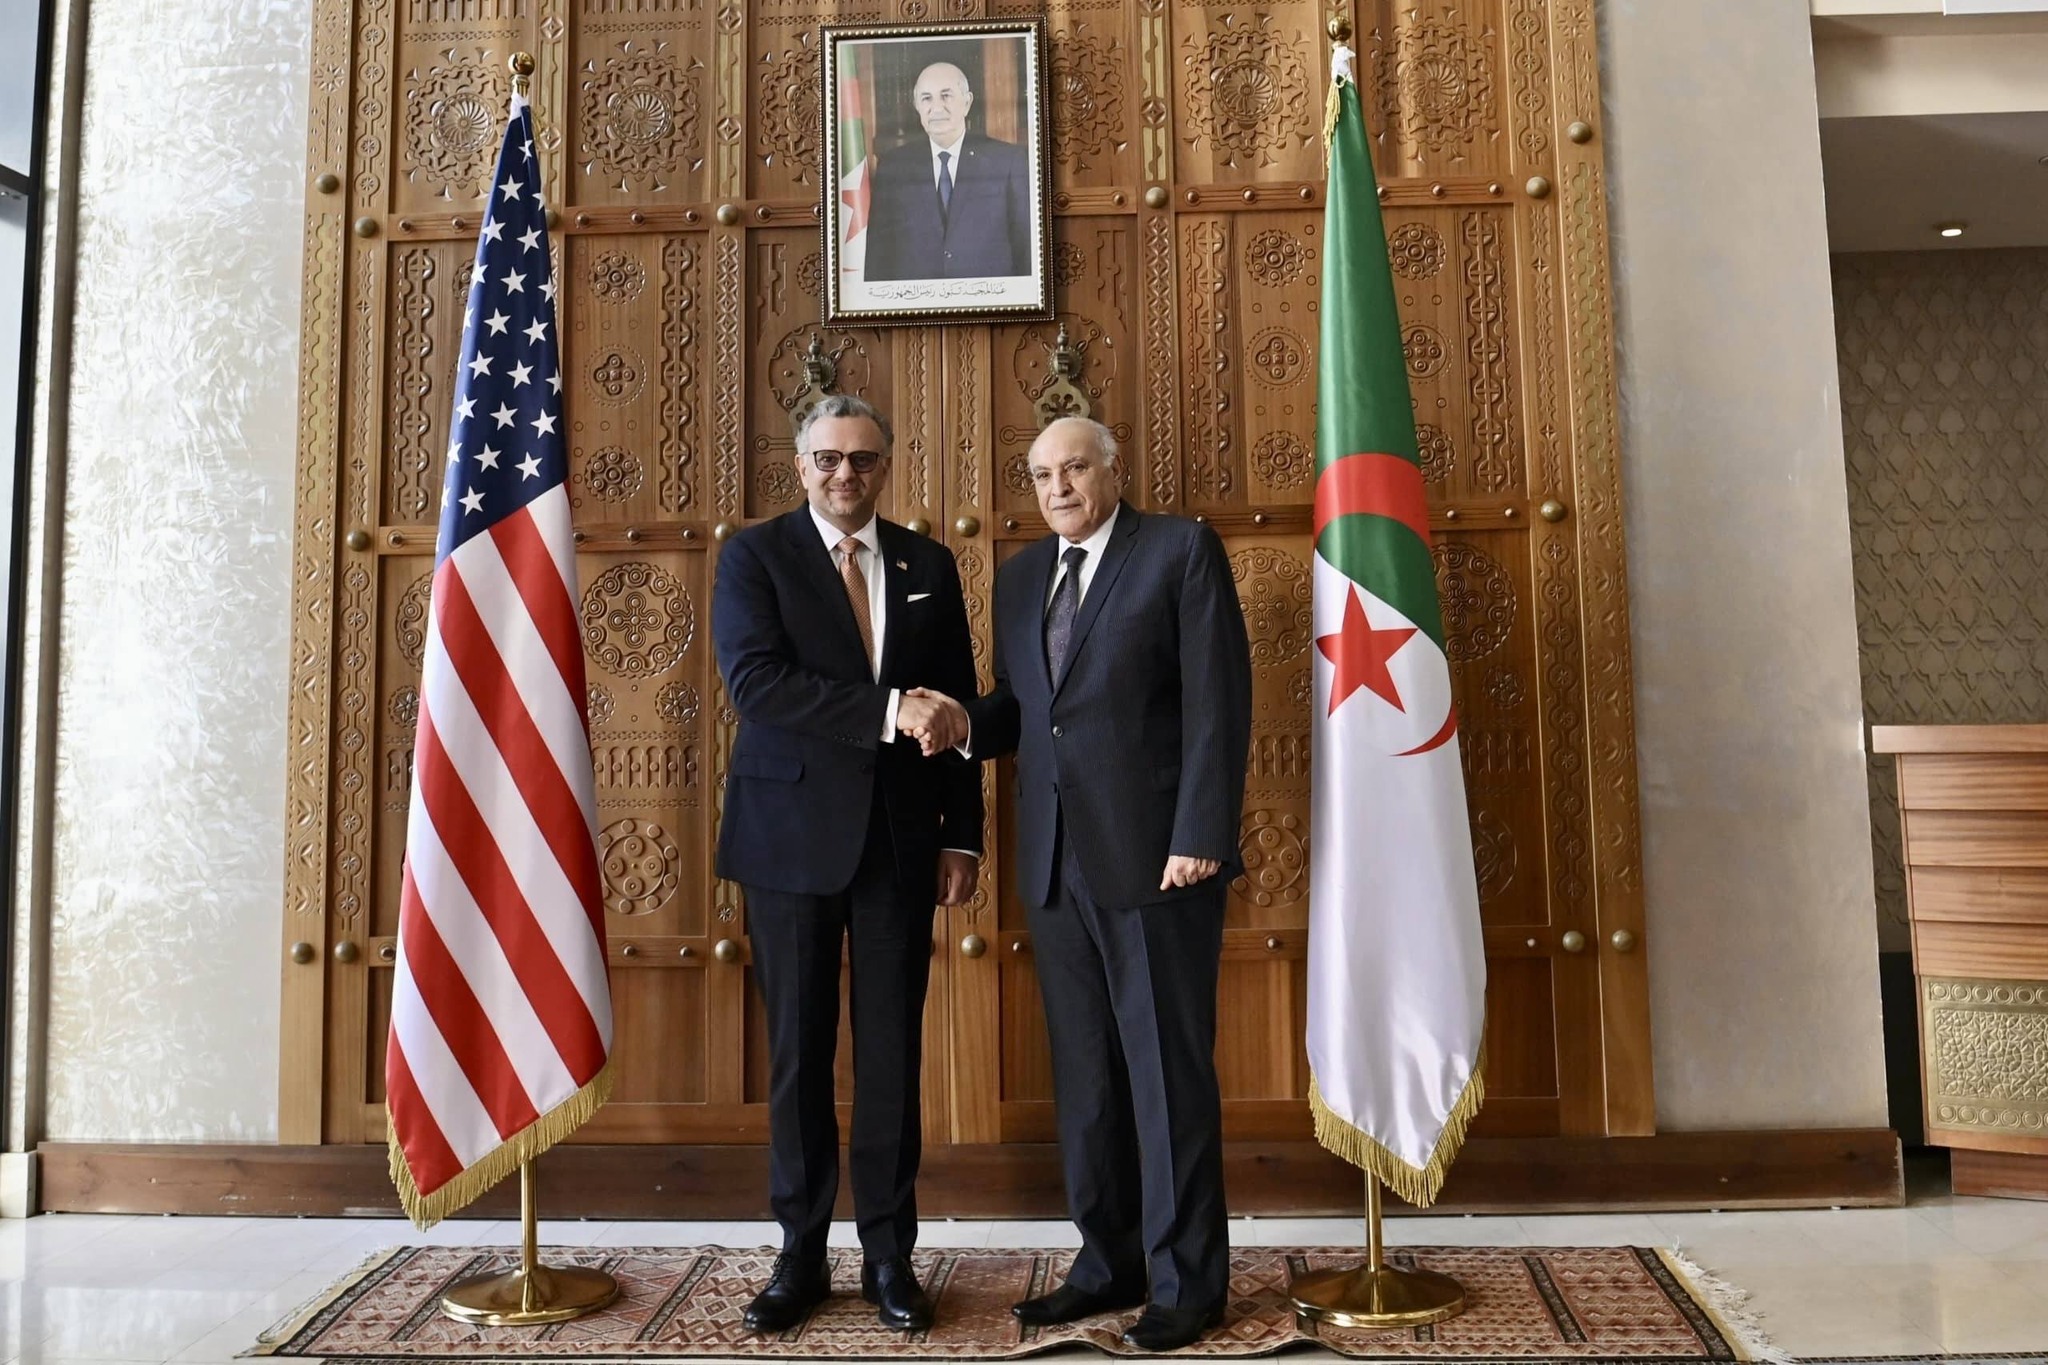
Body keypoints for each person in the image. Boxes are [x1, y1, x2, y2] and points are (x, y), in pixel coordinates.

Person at [904, 416, 1252, 1353]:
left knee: (1166, 1077)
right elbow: (1030, 712)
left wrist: (1201, 833)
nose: (1057, 487)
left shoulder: (1179, 551)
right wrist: (961, 724)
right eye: (1041, 474)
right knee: (1090, 1079)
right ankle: (1108, 1264)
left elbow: (1219, 700)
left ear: (1113, 469)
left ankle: (1187, 1285)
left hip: (1161, 858)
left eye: (1074, 468)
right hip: (1056, 864)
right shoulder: (1022, 576)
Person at [710, 394, 982, 1334]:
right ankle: (800, 1255)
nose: (845, 474)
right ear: (800, 465)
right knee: (800, 1054)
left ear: (885, 466)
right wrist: (888, 709)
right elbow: (757, 683)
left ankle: (889, 1256)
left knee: (891, 1055)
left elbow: (957, 708)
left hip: (901, 840)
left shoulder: (926, 563)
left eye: (862, 459)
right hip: (788, 839)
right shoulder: (754, 556)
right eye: (827, 458)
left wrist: (962, 832)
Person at [862, 60, 1032, 282]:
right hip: (918, 300)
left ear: (967, 102)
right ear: (917, 105)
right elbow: (878, 256)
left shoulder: (1007, 161)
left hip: (987, 298)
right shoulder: (893, 167)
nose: (937, 108)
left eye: (946, 95)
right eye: (927, 98)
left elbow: (1026, 249)